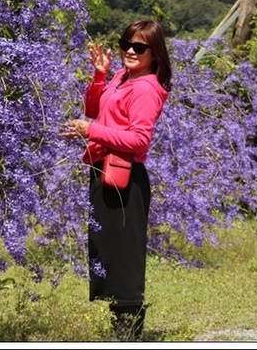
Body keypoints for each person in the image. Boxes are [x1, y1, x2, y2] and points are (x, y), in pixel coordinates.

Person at [61, 20, 172, 341]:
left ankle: (127, 333)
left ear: (155, 53)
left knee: (123, 255)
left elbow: (138, 140)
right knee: (109, 251)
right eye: (126, 44)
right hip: (103, 170)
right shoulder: (122, 78)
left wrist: (89, 130)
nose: (130, 51)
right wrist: (100, 76)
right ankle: (121, 330)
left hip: (125, 178)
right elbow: (93, 108)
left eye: (140, 47)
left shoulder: (147, 88)